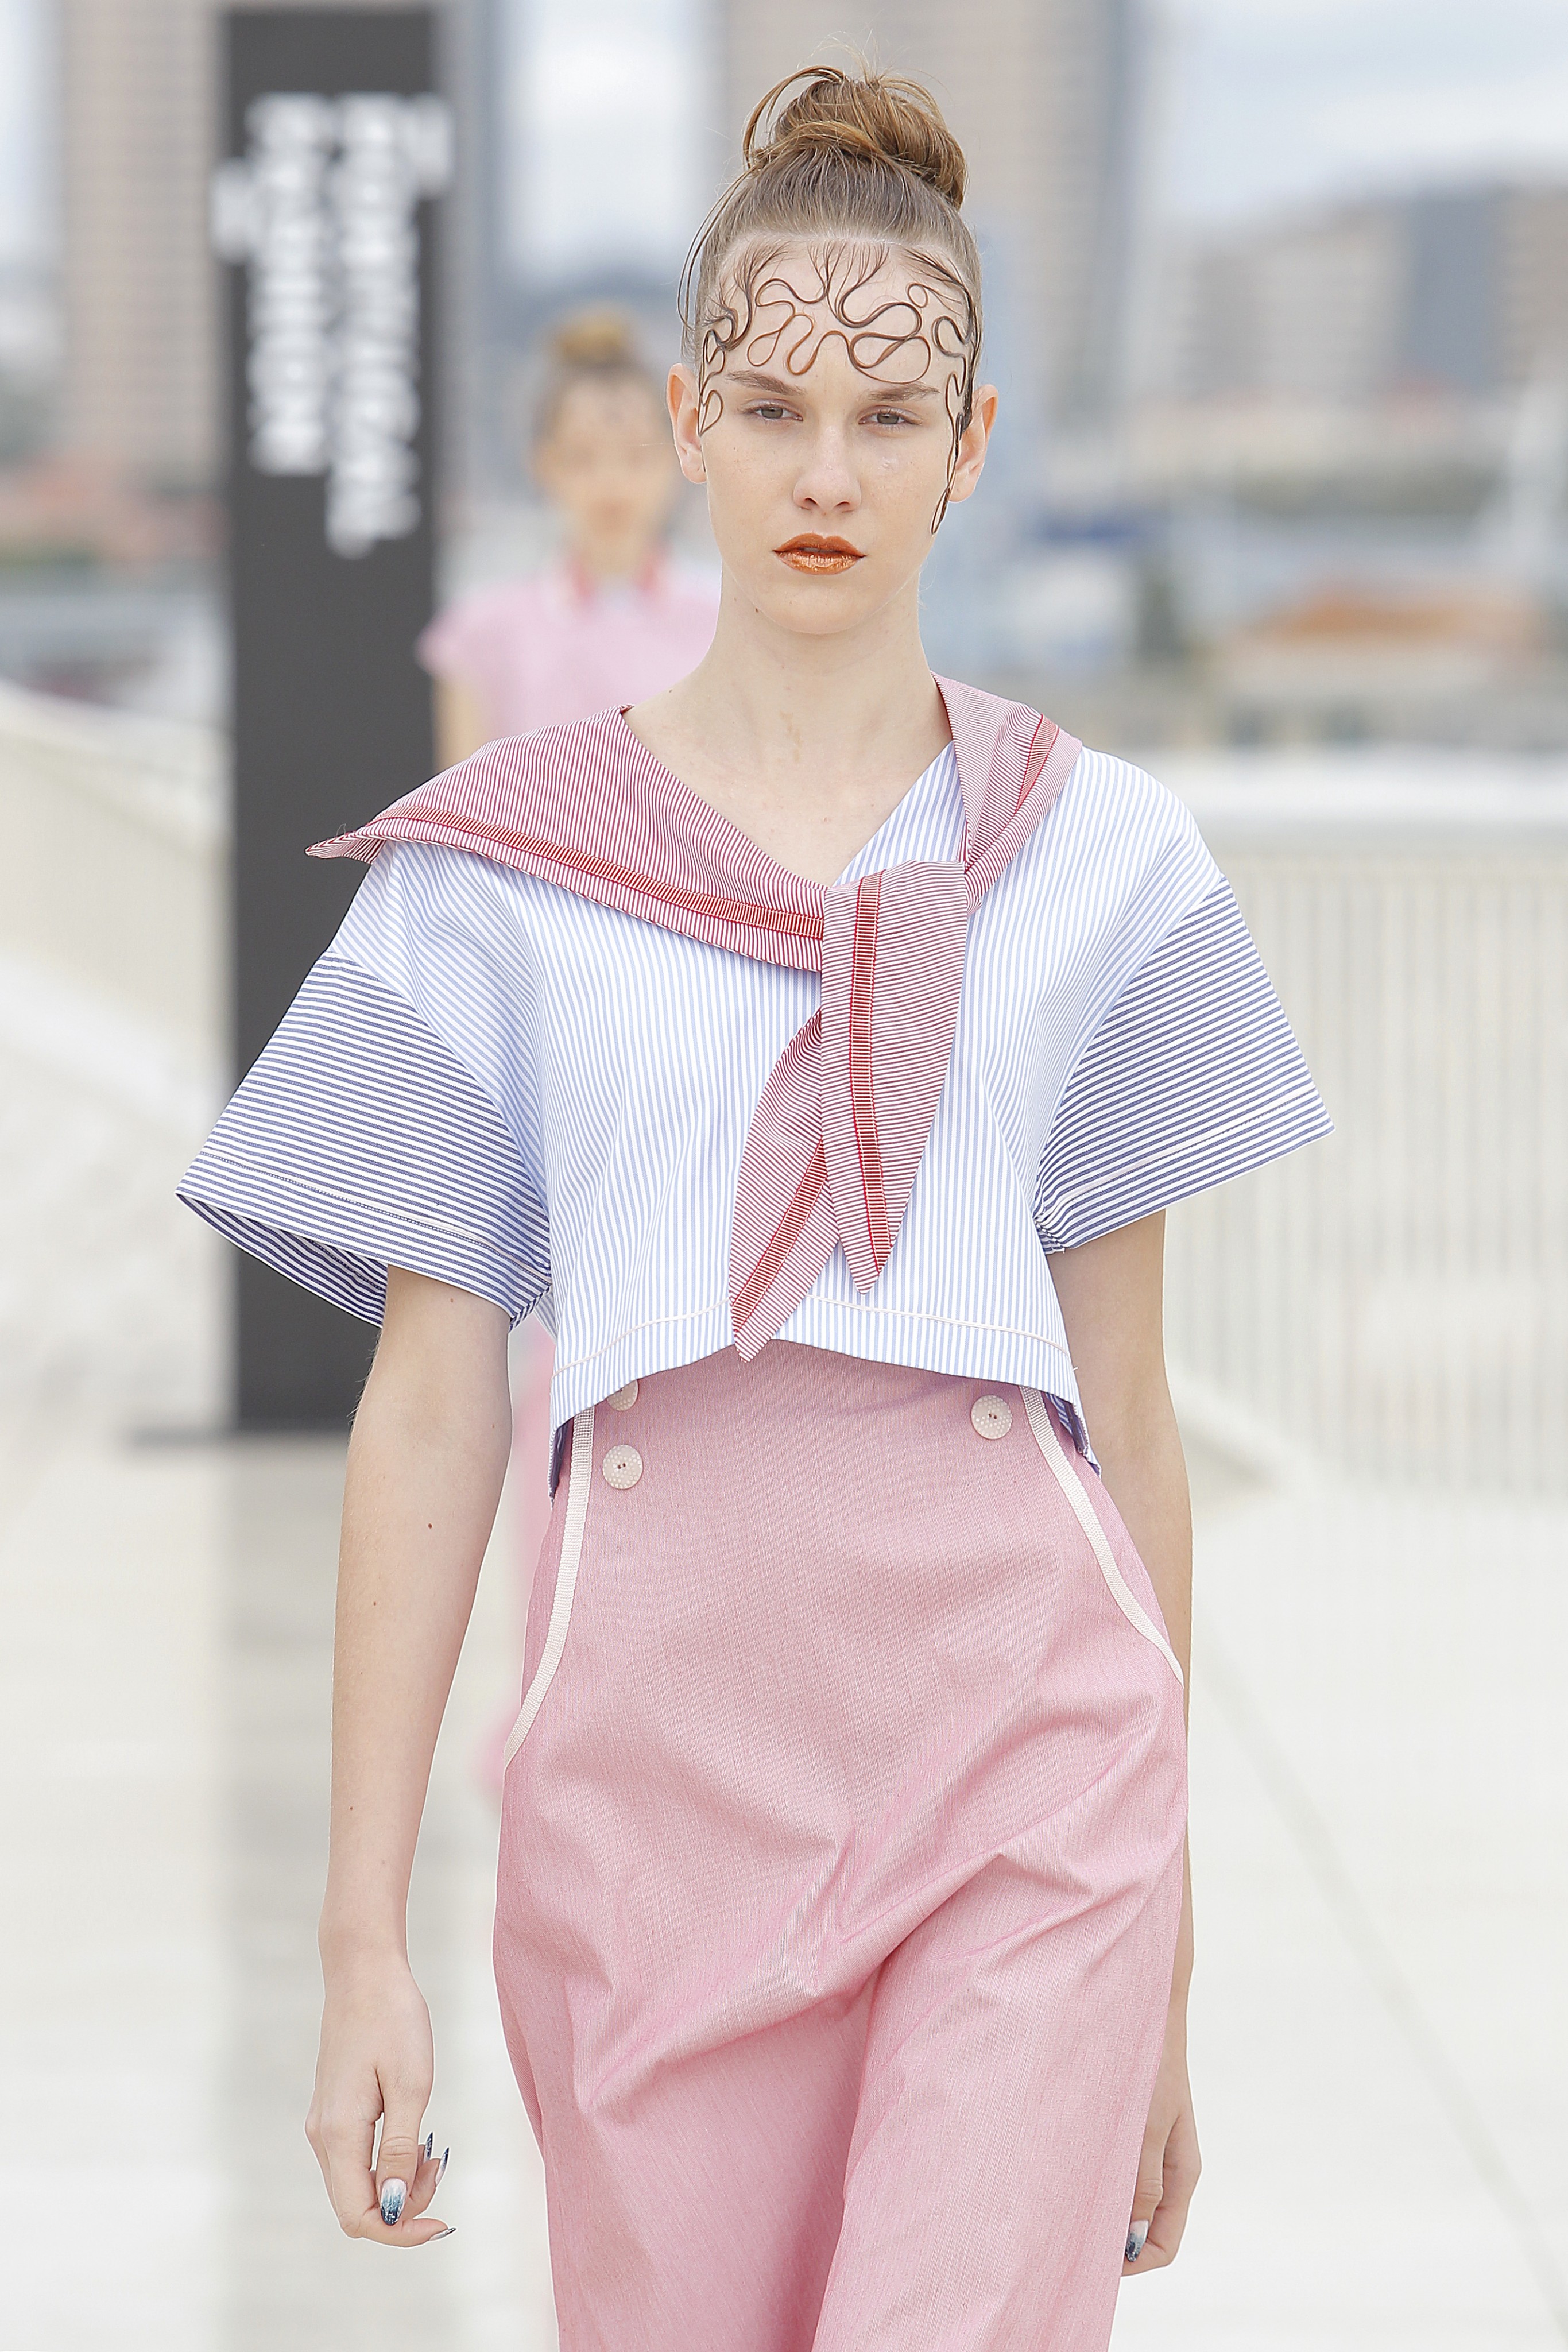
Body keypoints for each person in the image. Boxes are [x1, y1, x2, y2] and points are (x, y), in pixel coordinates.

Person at [180, 64, 1331, 2350]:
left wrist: (1169, 1956)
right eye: (780, 410)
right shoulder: (496, 878)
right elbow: (430, 1412)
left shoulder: (1096, 859)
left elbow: (1126, 1409)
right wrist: (358, 1938)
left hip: (1030, 1764)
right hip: (648, 1781)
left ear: (971, 443)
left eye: (889, 418)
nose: (829, 474)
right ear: (688, 423)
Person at [419, 307, 719, 771]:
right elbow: (458, 804)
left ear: (679, 457)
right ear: (543, 464)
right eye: (583, 457)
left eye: (635, 457)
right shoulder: (483, 632)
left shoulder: (724, 623)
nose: (611, 483)